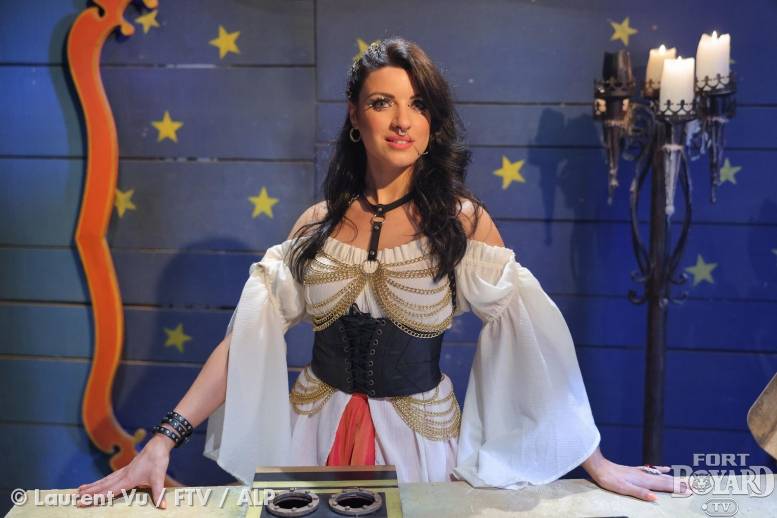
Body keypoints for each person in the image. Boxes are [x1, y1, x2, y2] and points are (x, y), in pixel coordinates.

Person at [76, 36, 686, 508]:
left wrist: (592, 459)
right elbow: (246, 341)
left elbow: (535, 345)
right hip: (312, 436)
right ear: (354, 115)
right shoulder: (315, 224)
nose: (401, 120)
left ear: (432, 122)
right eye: (382, 102)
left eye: (417, 104)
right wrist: (163, 439)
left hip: (420, 446)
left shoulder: (462, 222)